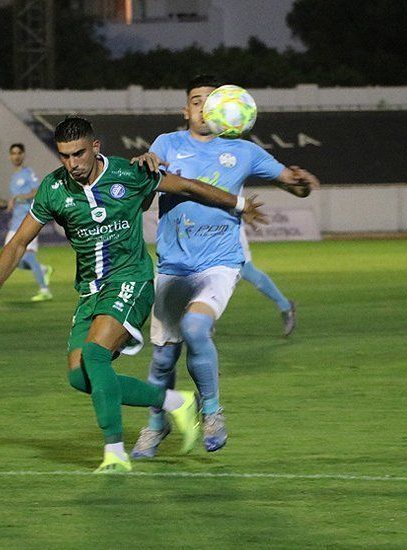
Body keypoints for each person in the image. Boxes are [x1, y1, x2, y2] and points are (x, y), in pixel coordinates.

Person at [0, 117, 266, 473]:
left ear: (95, 147)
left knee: (96, 356)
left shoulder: (130, 174)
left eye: (79, 154)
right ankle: (176, 401)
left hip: (132, 279)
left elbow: (188, 186)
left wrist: (237, 204)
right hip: (90, 291)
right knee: (79, 377)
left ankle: (115, 453)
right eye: (65, 156)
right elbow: (19, 241)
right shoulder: (54, 189)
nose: (72, 164)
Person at [129, 75, 320, 458]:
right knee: (164, 356)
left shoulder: (243, 151)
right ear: (186, 110)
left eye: (211, 101)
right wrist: (146, 163)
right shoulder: (167, 144)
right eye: (197, 101)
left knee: (197, 327)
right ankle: (156, 423)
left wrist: (301, 183)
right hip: (173, 263)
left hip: (220, 262)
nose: (204, 108)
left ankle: (212, 410)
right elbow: (150, 177)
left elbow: (290, 181)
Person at [4, 143, 53, 302]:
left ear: (23, 155)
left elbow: (37, 191)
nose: (16, 156)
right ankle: (43, 270)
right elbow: (18, 197)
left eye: (19, 153)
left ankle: (45, 290)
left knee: (29, 256)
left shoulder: (28, 173)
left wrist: (19, 197)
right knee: (12, 259)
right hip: (15, 223)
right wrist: (11, 202)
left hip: (28, 221)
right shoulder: (13, 177)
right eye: (13, 153)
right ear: (10, 156)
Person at [239, 223, 297, 336]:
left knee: (246, 270)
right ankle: (204, 319)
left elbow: (240, 206)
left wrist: (250, 220)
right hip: (210, 235)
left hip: (229, 233)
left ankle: (286, 306)